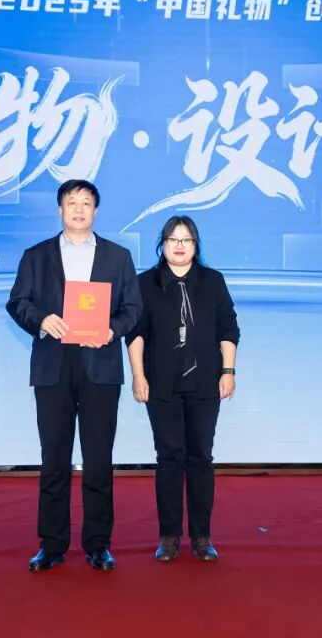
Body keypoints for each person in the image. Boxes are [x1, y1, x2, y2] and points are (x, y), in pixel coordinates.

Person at [6, 179, 142, 572]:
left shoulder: (118, 256)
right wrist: (41, 320)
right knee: (54, 458)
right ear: (60, 210)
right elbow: (17, 301)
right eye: (71, 202)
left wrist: (112, 330)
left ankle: (98, 544)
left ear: (95, 211)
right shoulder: (36, 256)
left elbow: (134, 307)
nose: (79, 209)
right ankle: (51, 544)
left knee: (99, 458)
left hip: (100, 365)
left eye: (86, 203)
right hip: (53, 365)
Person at [125, 215, 239, 562]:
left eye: (186, 240)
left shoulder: (213, 281)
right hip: (161, 383)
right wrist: (139, 376)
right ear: (162, 244)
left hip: (205, 382)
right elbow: (136, 333)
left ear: (195, 245)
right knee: (169, 458)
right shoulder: (145, 283)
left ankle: (202, 536)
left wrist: (228, 371)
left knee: (201, 457)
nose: (179, 245)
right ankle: (170, 536)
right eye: (173, 239)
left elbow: (228, 328)